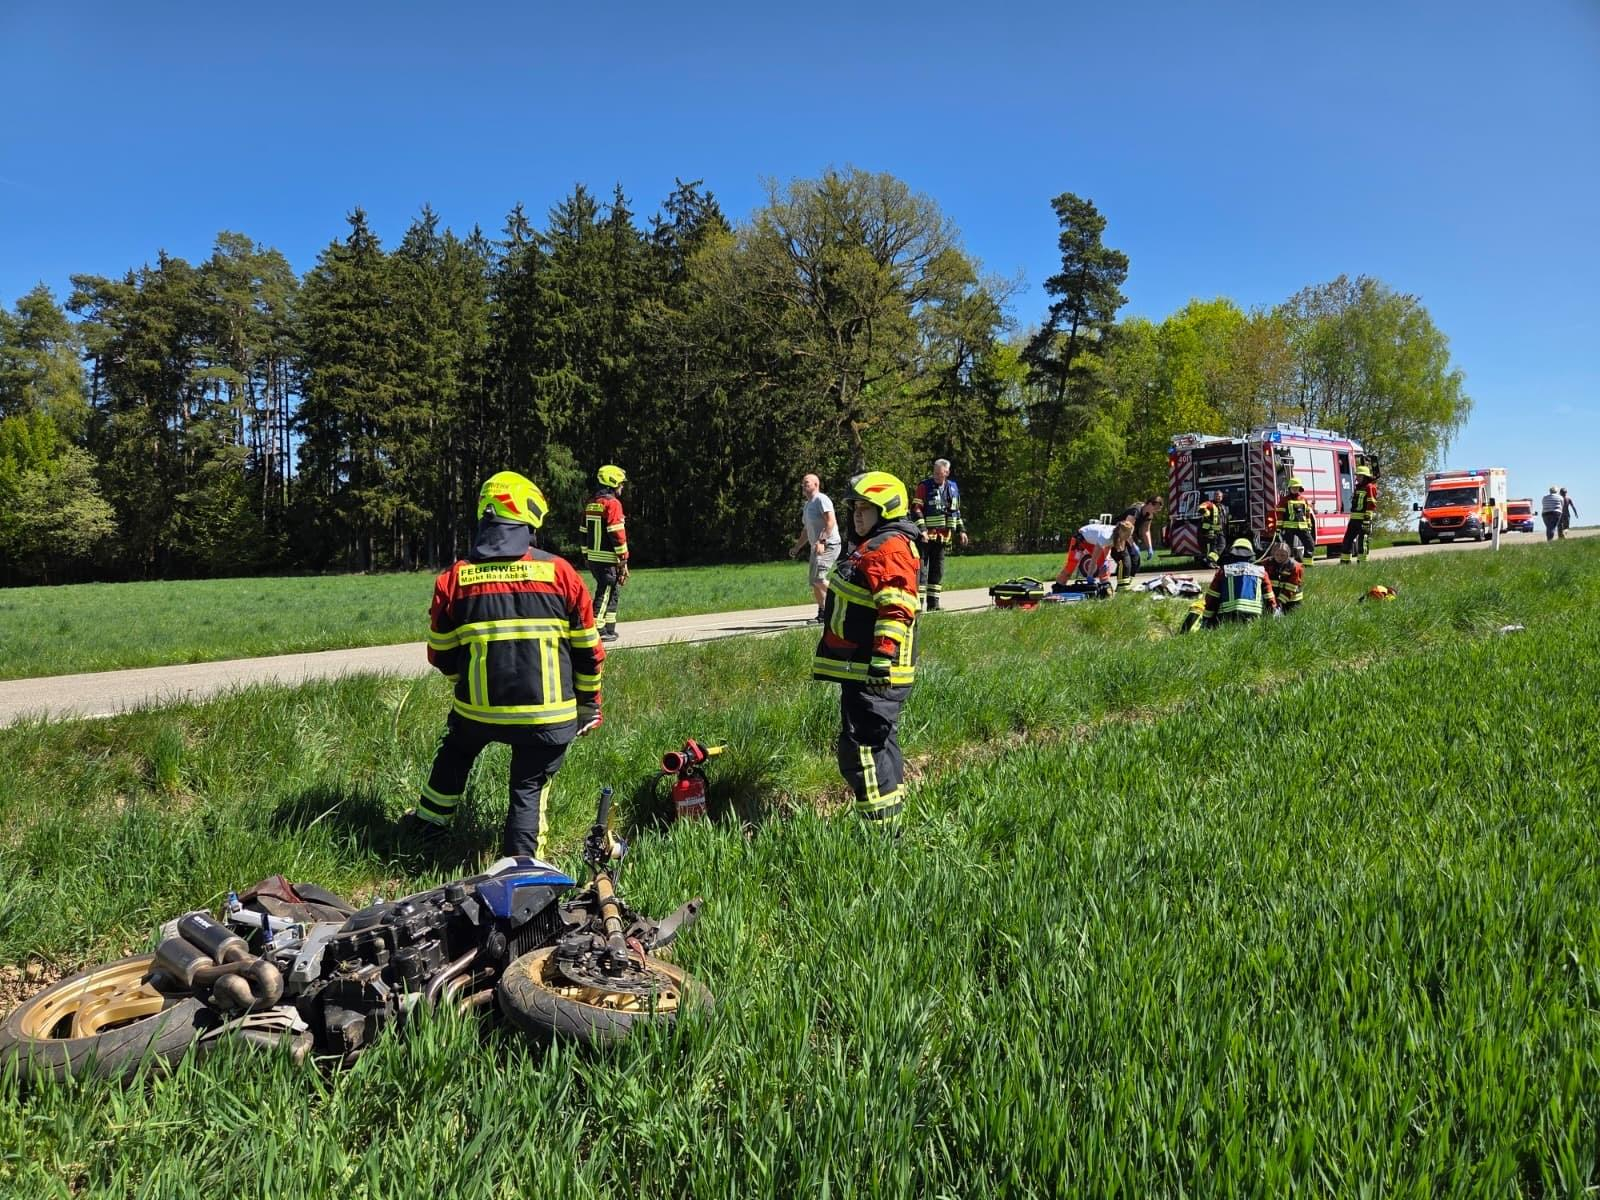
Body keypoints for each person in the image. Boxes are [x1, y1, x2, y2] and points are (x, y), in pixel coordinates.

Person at [405, 471, 604, 860]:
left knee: (455, 752)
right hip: (547, 717)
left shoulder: (454, 578)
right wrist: (589, 703)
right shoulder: (561, 573)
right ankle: (523, 869)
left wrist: (464, 680)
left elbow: (440, 653)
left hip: (477, 712)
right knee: (528, 786)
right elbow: (588, 651)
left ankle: (426, 830)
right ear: (529, 517)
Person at [813, 471, 921, 828]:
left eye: (865, 508)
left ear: (886, 510)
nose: (858, 515)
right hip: (865, 669)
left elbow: (896, 609)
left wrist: (881, 660)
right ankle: (891, 822)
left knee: (862, 751)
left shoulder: (888, 549)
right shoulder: (874, 545)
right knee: (880, 745)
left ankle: (879, 831)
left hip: (873, 672)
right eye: (855, 508)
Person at [910, 458, 968, 611]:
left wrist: (961, 531)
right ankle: (918, 606)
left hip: (942, 538)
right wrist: (922, 529)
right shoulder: (924, 486)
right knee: (922, 572)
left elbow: (956, 512)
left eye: (939, 473)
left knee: (937, 571)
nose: (935, 476)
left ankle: (933, 605)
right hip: (925, 537)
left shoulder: (952, 488)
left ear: (947, 473)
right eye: (934, 473)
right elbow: (916, 509)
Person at [581, 465, 630, 641]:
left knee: (612, 590)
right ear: (613, 482)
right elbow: (617, 533)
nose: (622, 487)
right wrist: (623, 559)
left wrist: (586, 555)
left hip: (594, 558)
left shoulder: (591, 503)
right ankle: (597, 630)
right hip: (608, 558)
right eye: (621, 484)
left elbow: (583, 532)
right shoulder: (613, 504)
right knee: (605, 591)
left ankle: (609, 628)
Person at [789, 473, 841, 622]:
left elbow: (830, 521)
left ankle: (844, 599)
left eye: (807, 483)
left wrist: (822, 540)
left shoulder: (821, 499)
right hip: (816, 547)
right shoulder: (807, 505)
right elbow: (806, 530)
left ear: (816, 485)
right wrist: (797, 547)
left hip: (829, 545)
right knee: (814, 582)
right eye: (803, 483)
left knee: (819, 579)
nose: (803, 485)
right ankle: (823, 613)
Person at [1202, 538, 1277, 623]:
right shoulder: (1261, 572)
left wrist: (1206, 618)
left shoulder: (1223, 571)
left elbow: (1212, 597)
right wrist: (1273, 615)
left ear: (1231, 555)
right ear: (1252, 556)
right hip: (1254, 616)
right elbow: (1269, 597)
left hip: (1228, 616)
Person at [1054, 521, 1118, 588]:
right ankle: (1059, 585)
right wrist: (1090, 575)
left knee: (1104, 564)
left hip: (1092, 540)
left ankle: (1105, 586)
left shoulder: (1117, 533)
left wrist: (1105, 560)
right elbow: (1094, 559)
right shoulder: (1106, 537)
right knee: (1072, 564)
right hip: (1080, 539)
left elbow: (1107, 547)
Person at [1339, 465, 1378, 564]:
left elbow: (1371, 503)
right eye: (1357, 476)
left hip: (1364, 520)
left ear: (1365, 477)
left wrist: (1367, 519)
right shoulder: (1358, 488)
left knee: (1362, 541)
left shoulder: (1370, 487)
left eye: (1360, 476)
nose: (1357, 478)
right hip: (1354, 519)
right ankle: (1345, 561)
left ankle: (1362, 562)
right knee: (1347, 540)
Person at [1277, 477, 1317, 565]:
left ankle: (1308, 564)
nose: (1295, 489)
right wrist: (1279, 527)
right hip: (1289, 528)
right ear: (1289, 488)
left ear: (1300, 488)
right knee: (1288, 548)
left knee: (1310, 544)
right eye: (1293, 487)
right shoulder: (1284, 500)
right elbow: (1280, 514)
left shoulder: (1303, 499)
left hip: (1302, 527)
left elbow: (1307, 513)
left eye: (1297, 487)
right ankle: (1289, 565)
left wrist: (1309, 524)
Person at [1262, 539, 1304, 612]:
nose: (1279, 558)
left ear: (1288, 555)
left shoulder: (1295, 567)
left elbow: (1291, 587)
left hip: (1292, 600)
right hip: (1275, 597)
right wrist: (1273, 601)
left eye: (1283, 555)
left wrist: (1279, 602)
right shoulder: (1267, 563)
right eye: (1277, 555)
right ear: (1273, 554)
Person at [1198, 491, 1228, 566]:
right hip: (1211, 530)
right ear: (1214, 496)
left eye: (1220, 496)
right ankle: (1210, 560)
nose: (1218, 497)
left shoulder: (1223, 506)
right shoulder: (1209, 503)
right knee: (1220, 545)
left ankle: (1211, 561)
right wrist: (1206, 512)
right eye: (1216, 495)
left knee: (1217, 546)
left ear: (1222, 497)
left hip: (1220, 530)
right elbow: (1200, 507)